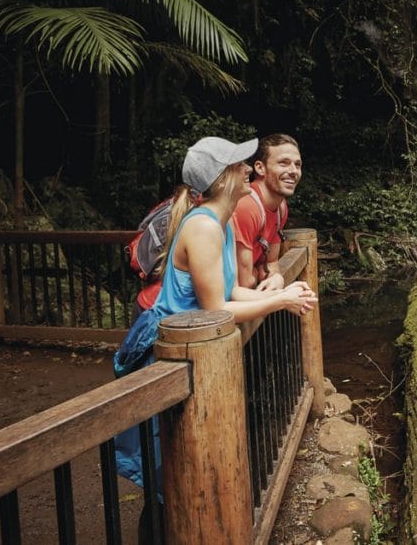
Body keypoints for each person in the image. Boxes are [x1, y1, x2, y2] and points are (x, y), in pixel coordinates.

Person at [113, 136, 317, 512]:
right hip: (173, 356)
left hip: (197, 350)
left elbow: (232, 291)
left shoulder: (220, 223)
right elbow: (216, 308)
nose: (247, 169)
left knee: (187, 466)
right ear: (223, 179)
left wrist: (284, 294)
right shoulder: (204, 227)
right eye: (240, 165)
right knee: (170, 472)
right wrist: (278, 301)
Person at [231, 133, 303, 290]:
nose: (293, 171)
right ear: (260, 168)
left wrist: (276, 278)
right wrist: (259, 273)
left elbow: (271, 263)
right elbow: (244, 282)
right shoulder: (246, 206)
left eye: (297, 165)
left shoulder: (280, 208)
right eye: (284, 163)